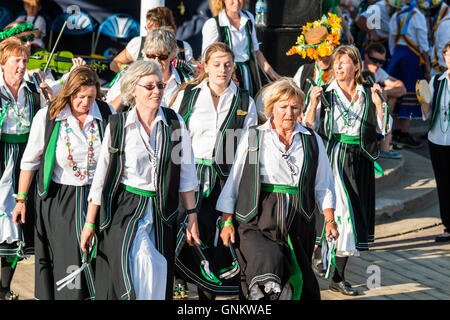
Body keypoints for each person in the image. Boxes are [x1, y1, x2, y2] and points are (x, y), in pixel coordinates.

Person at [79, 60, 200, 300]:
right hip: (125, 209)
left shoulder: (174, 123)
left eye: (160, 85)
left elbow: (186, 174)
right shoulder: (119, 125)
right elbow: (101, 178)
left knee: (158, 271)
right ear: (133, 90)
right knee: (143, 262)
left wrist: (192, 216)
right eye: (149, 86)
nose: (157, 91)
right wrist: (90, 223)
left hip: (162, 210)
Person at [216, 77, 338, 300]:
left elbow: (323, 185)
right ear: (271, 108)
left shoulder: (312, 140)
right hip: (258, 217)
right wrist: (226, 221)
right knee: (268, 266)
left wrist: (329, 220)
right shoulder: (254, 137)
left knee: (298, 279)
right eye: (283, 107)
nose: (289, 113)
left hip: (300, 219)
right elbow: (234, 181)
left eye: (294, 107)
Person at [12, 65, 114, 300]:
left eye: (90, 97)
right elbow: (30, 161)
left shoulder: (106, 115)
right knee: (68, 258)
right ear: (69, 93)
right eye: (80, 97)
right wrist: (21, 199)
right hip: (60, 200)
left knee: (98, 258)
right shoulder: (49, 116)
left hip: (97, 198)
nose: (86, 103)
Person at [171, 42, 257, 300]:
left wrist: (240, 183)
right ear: (205, 66)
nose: (223, 70)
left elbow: (247, 147)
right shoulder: (187, 95)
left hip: (224, 177)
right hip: (189, 175)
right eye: (217, 64)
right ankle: (178, 283)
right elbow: (174, 135)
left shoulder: (244, 100)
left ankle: (208, 294)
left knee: (211, 235)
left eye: (228, 65)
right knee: (183, 232)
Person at [304, 45, 388, 296]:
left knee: (351, 217)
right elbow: (309, 126)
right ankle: (321, 253)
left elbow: (383, 132)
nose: (338, 66)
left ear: (355, 66)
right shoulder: (325, 93)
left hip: (360, 159)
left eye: (343, 62)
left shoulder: (367, 92)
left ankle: (337, 275)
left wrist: (379, 105)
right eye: (336, 62)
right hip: (334, 155)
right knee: (343, 212)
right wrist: (312, 102)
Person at [288, 12, 342, 278]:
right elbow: (301, 118)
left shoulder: (342, 71)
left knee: (332, 196)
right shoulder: (304, 72)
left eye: (327, 51)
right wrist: (311, 105)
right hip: (310, 142)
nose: (323, 57)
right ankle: (312, 248)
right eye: (318, 52)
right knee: (311, 193)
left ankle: (330, 252)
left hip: (337, 144)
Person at [0, 37, 44, 300]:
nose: (21, 65)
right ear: (2, 63)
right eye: (16, 60)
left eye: (24, 60)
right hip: (1, 156)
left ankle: (4, 288)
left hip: (24, 161)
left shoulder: (31, 90)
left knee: (16, 222)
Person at [202, 0, 281, 97]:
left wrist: (273, 75)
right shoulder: (213, 24)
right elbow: (207, 57)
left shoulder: (248, 18)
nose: (237, 2)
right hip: (225, 73)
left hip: (247, 74)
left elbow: (256, 51)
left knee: (249, 105)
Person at [106, 27, 193, 111]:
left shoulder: (187, 81)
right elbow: (109, 111)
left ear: (172, 55)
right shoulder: (129, 76)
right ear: (144, 54)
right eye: (151, 56)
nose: (156, 61)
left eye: (162, 56)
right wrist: (128, 89)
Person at [387, 0, 430, 149]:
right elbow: (423, 43)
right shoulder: (417, 15)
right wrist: (427, 65)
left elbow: (392, 42)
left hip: (397, 57)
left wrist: (395, 57)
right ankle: (404, 133)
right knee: (411, 93)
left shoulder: (396, 16)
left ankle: (396, 131)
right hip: (412, 58)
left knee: (397, 94)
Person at [420, 41, 450, 242]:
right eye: (448, 55)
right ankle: (448, 225)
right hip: (437, 139)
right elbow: (427, 114)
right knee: (443, 183)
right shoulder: (437, 80)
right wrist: (423, 101)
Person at [110, 6, 195, 74]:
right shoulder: (139, 43)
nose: (148, 32)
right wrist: (131, 71)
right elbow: (114, 64)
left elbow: (195, 71)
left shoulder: (183, 46)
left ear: (168, 28)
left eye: (153, 29)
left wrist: (189, 69)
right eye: (147, 28)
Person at [363, 42, 407, 158]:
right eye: (374, 60)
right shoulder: (357, 68)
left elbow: (402, 88)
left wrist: (385, 92)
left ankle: (384, 146)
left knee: (389, 95)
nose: (378, 65)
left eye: (381, 62)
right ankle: (383, 144)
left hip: (373, 109)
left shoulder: (378, 72)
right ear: (366, 56)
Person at [419, 0, 450, 76]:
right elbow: (444, 59)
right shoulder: (447, 24)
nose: (426, 12)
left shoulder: (446, 23)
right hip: (443, 74)